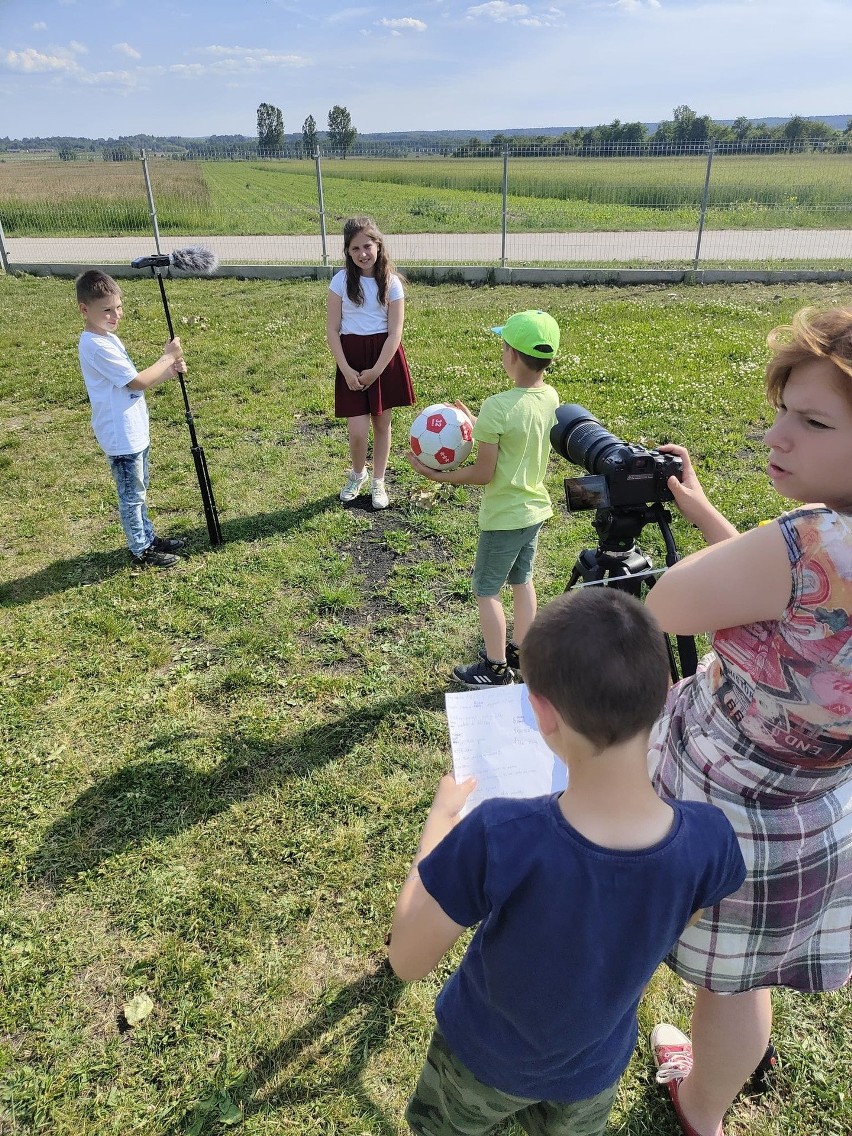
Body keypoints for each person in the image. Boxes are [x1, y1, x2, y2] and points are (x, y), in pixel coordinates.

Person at [388, 587, 746, 1136]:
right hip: (593, 1072)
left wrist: (437, 827)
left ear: (542, 713)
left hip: (479, 1063)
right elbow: (679, 921)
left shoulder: (498, 834)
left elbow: (407, 960)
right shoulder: (711, 840)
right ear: (665, 696)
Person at [644, 305, 852, 1136]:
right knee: (750, 969)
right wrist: (704, 515)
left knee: (727, 985)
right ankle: (733, 1064)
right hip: (815, 804)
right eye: (780, 410)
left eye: (811, 421)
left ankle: (703, 1107)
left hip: (729, 804)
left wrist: (728, 541)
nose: (778, 436)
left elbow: (667, 603)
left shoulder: (809, 543)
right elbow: (794, 613)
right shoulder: (817, 554)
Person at [407, 310, 560, 687]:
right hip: (534, 509)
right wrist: (479, 423)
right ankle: (523, 653)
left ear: (510, 354)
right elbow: (518, 436)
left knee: (486, 589)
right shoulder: (549, 396)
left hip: (504, 517)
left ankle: (494, 668)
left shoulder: (498, 405)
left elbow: (483, 473)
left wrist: (434, 475)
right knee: (522, 582)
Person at [76, 269, 187, 570]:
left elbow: (137, 380)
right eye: (107, 310)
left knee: (139, 489)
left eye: (119, 307)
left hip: (133, 430)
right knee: (131, 494)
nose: (115, 315)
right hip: (120, 435)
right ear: (84, 310)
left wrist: (169, 370)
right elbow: (135, 382)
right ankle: (141, 549)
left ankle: (148, 537)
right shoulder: (95, 346)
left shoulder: (108, 338)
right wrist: (166, 357)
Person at [326, 216, 415, 510]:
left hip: (383, 358)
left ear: (378, 245)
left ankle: (378, 480)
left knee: (381, 423)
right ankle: (358, 473)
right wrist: (346, 369)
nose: (363, 253)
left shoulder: (391, 283)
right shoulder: (340, 281)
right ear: (347, 252)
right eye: (355, 249)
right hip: (351, 357)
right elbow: (332, 330)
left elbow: (395, 332)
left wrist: (377, 370)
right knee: (357, 431)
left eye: (367, 245)